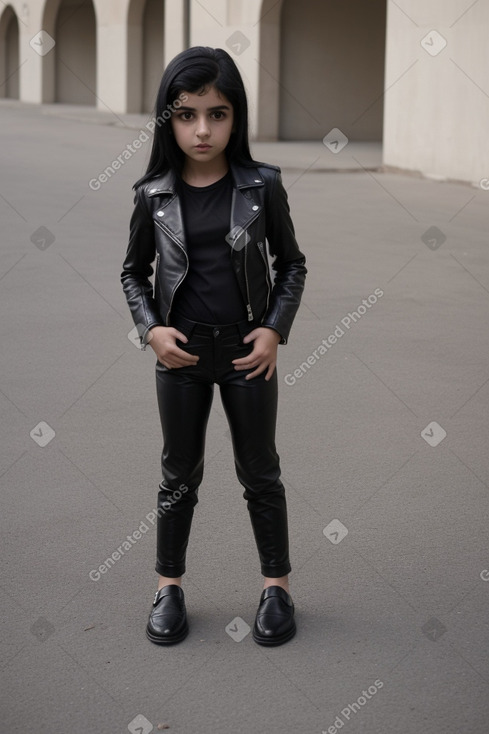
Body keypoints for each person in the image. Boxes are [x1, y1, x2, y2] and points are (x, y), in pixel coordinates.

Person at [121, 46, 306, 647]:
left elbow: (293, 264)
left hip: (248, 356)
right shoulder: (153, 194)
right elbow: (132, 271)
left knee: (261, 473)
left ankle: (276, 588)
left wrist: (275, 328)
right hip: (181, 358)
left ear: (237, 117)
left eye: (218, 114)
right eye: (187, 114)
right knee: (179, 475)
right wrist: (151, 329)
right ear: (168, 119)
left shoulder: (262, 186)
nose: (203, 129)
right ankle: (167, 586)